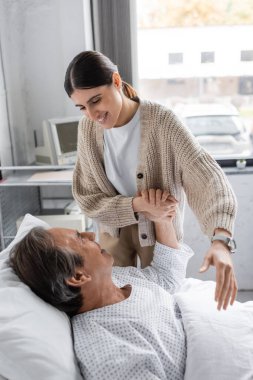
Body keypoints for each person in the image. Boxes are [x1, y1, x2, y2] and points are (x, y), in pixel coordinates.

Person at [64, 50, 238, 309]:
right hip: (113, 229)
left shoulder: (163, 122)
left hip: (159, 229)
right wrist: (136, 206)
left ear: (116, 81)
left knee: (162, 301)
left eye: (96, 100)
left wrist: (221, 240)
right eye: (82, 107)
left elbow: (207, 176)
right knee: (116, 303)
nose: (92, 114)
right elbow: (87, 197)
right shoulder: (87, 129)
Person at [10, 190, 195, 380]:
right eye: (79, 238)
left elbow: (166, 279)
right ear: (78, 276)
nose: (90, 234)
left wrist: (162, 221)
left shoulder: (118, 279)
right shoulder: (110, 354)